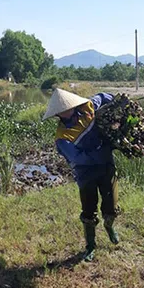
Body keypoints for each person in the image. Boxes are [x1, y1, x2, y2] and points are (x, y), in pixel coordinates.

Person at [42, 88, 119, 262]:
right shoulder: (63, 137)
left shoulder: (87, 108)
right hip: (86, 173)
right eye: (63, 109)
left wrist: (116, 104)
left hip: (107, 166)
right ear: (58, 114)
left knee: (112, 207)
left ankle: (109, 226)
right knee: (89, 210)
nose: (68, 109)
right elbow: (80, 158)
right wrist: (104, 150)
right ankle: (90, 246)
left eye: (69, 106)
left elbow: (102, 97)